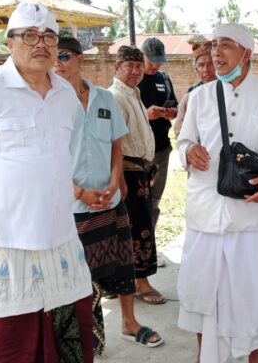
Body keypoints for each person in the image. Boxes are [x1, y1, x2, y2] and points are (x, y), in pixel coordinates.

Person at [0, 2, 93, 362]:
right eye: (29, 35)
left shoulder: (66, 94)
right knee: (14, 345)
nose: (40, 43)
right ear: (9, 42)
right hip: (6, 242)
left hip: (61, 238)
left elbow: (59, 160)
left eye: (49, 37)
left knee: (71, 337)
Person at [177, 23, 258, 363]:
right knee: (203, 299)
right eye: (214, 45)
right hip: (204, 214)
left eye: (226, 45)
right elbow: (183, 140)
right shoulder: (199, 97)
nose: (216, 52)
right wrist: (188, 151)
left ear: (247, 53)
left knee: (250, 302)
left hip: (250, 216)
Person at [54, 36, 163, 352]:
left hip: (110, 200)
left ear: (80, 60)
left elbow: (116, 144)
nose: (57, 63)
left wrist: (116, 182)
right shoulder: (51, 104)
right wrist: (78, 191)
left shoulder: (103, 98)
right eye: (54, 58)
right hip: (73, 205)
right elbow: (49, 158)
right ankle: (90, 337)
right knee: (81, 276)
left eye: (64, 56)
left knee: (122, 265)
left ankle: (130, 324)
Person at [109, 46, 165, 305]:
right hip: (127, 174)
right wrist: (119, 179)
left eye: (138, 66)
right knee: (137, 230)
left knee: (141, 227)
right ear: (116, 68)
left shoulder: (134, 94)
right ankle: (140, 282)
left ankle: (132, 280)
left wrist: (149, 166)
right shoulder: (115, 97)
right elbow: (114, 144)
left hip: (141, 171)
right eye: (128, 66)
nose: (135, 71)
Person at [139, 37, 177, 233]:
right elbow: (121, 116)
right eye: (151, 60)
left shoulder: (164, 79)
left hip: (162, 148)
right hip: (138, 153)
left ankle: (151, 246)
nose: (155, 65)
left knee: (155, 199)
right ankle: (136, 249)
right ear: (141, 56)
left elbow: (176, 106)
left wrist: (172, 112)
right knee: (138, 200)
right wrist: (146, 115)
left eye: (159, 60)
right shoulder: (131, 79)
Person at [173, 41, 216, 138]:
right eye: (201, 65)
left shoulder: (231, 93)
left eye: (211, 64)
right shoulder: (189, 99)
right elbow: (180, 133)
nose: (206, 70)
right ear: (196, 69)